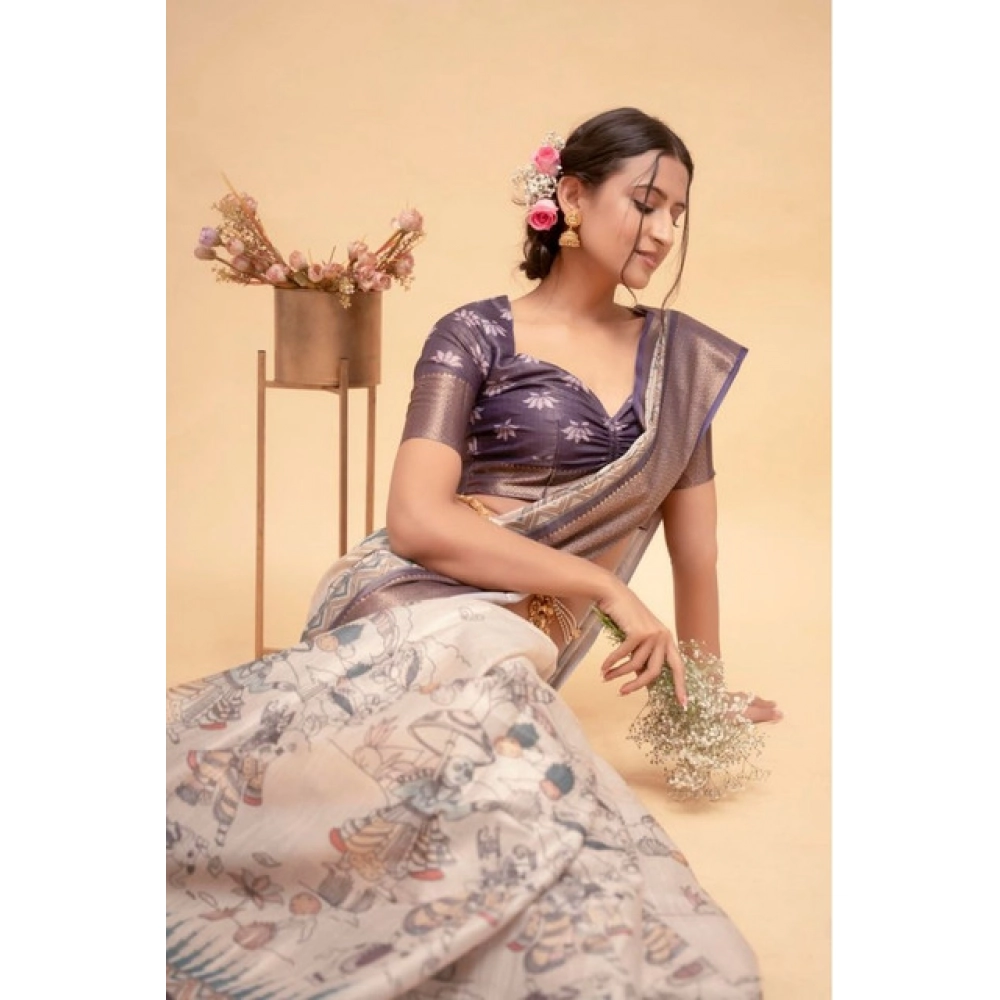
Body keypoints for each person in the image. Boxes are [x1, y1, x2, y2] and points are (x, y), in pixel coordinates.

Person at [166, 107, 779, 1000]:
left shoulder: (677, 362)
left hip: (527, 632)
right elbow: (417, 521)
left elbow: (698, 554)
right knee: (433, 738)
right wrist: (603, 585)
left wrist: (706, 700)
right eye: (646, 203)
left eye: (677, 213)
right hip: (410, 590)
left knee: (503, 770)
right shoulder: (474, 333)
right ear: (573, 197)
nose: (663, 230)